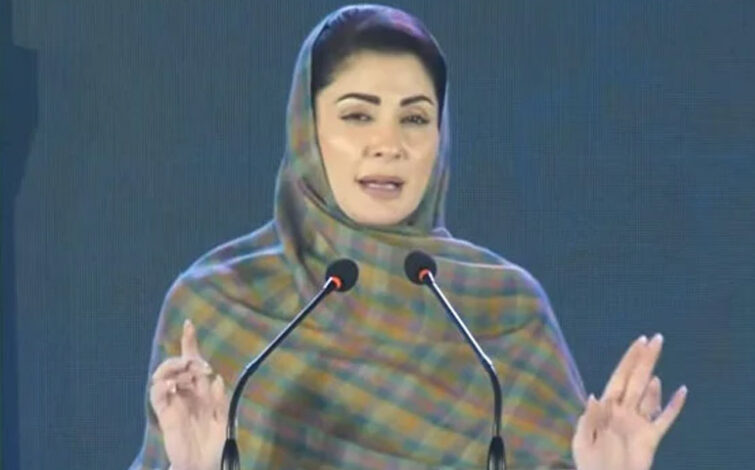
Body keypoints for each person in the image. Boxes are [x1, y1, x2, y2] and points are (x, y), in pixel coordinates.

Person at [130, 5, 687, 469]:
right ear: (307, 129)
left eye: (415, 119)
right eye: (358, 116)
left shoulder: (500, 311)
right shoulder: (219, 304)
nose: (389, 145)